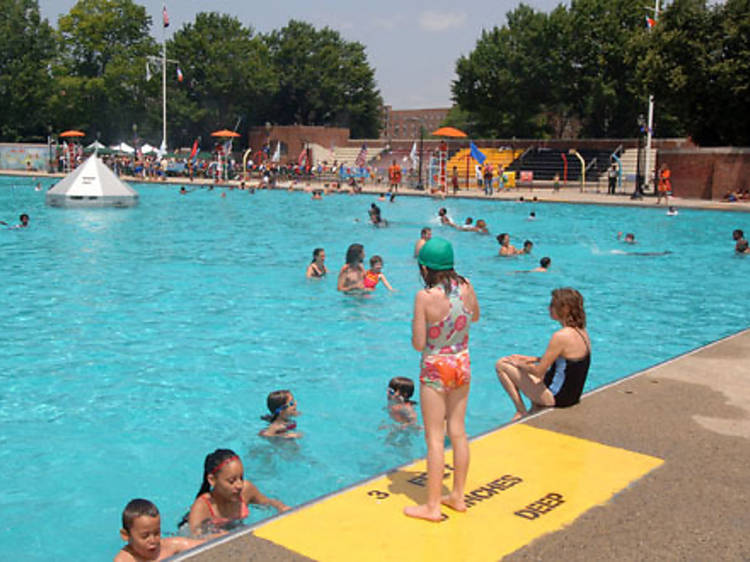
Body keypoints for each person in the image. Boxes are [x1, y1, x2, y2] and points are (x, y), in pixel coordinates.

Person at [404, 237, 480, 522]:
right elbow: (475, 317)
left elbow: (418, 343)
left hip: (435, 367)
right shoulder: (467, 286)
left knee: (435, 438)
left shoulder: (425, 297)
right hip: (462, 363)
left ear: (425, 267)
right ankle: (458, 496)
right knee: (458, 431)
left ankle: (432, 506)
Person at [495, 288, 590, 422]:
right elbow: (567, 361)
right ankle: (534, 408)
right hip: (572, 397)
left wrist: (519, 363)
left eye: (552, 305)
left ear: (565, 308)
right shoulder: (582, 332)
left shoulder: (560, 336)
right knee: (541, 375)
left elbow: (538, 372)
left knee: (502, 364)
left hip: (557, 398)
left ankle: (521, 411)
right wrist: (533, 359)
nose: (549, 308)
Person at [184, 449, 289, 536]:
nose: (239, 485)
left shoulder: (246, 490)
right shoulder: (202, 507)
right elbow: (196, 539)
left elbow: (267, 502)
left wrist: (281, 507)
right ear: (212, 480)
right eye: (232, 481)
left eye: (241, 478)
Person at [115, 499, 204, 561]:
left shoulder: (170, 546)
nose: (153, 540)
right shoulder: (124, 560)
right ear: (125, 535)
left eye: (156, 533)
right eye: (145, 536)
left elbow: (209, 546)